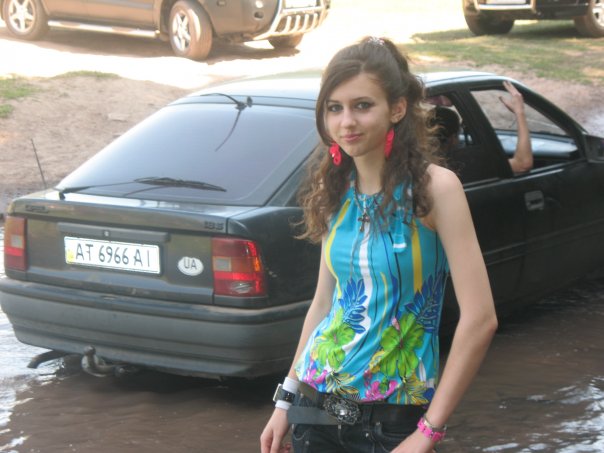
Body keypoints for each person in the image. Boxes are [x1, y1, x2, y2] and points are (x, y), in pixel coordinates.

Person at [260, 37, 498, 453]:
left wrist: (427, 433)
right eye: (334, 108)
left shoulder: (435, 190)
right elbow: (324, 304)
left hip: (391, 422)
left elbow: (481, 320)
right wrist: (286, 399)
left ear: (398, 108)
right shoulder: (334, 188)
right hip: (313, 410)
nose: (346, 122)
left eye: (362, 105)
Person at [431, 81, 533, 174]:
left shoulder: (424, 164)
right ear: (453, 139)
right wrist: (520, 112)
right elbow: (522, 164)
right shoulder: (463, 163)